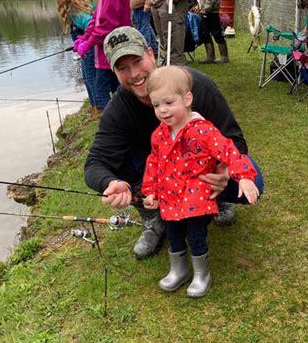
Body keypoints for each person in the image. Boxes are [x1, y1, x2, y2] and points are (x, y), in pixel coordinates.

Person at [84, 26, 264, 260]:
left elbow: (235, 139)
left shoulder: (195, 85)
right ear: (114, 72)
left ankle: (215, 199)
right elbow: (94, 164)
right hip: (160, 175)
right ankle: (153, 216)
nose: (135, 73)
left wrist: (224, 171)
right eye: (123, 68)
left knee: (255, 181)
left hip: (201, 170)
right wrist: (112, 182)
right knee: (116, 164)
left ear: (151, 54)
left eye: (138, 61)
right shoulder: (118, 109)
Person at [142, 66, 259, 297]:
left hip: (196, 198)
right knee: (174, 234)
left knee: (196, 236)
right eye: (156, 105)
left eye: (168, 102)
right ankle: (179, 270)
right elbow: (153, 163)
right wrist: (150, 191)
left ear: (187, 99)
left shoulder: (203, 131)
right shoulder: (159, 134)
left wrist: (244, 176)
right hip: (169, 198)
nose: (162, 111)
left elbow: (229, 151)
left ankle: (201, 274)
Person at [73, 0, 131, 114]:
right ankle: (123, 122)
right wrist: (84, 37)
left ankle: (113, 127)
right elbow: (97, 17)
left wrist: (89, 43)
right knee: (118, 90)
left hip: (113, 49)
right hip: (105, 51)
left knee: (101, 94)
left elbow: (108, 24)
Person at [54, 0, 97, 117]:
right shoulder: (76, 11)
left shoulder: (76, 14)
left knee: (90, 77)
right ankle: (93, 105)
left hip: (89, 49)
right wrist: (78, 44)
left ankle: (99, 108)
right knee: (86, 77)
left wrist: (84, 43)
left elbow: (92, 26)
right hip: (85, 50)